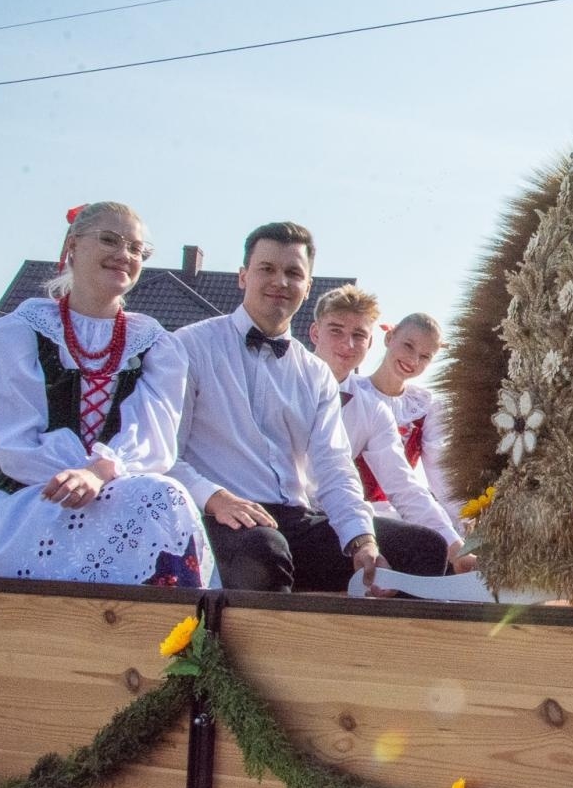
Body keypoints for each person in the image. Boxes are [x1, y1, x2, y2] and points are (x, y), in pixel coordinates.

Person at [168, 222, 450, 593]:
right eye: (267, 269)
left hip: (295, 519)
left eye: (293, 273)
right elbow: (165, 454)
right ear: (242, 276)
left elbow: (334, 466)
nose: (280, 282)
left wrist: (362, 540)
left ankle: (371, 651)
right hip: (221, 516)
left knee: (423, 549)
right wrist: (214, 497)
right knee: (265, 552)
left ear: (307, 286)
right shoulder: (189, 346)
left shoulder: (315, 373)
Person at [0, 202, 215, 587]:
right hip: (32, 497)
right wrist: (77, 476)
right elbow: (16, 442)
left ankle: (173, 635)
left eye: (136, 249)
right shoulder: (20, 332)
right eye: (109, 240)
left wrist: (99, 472)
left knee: (163, 493)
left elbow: (156, 443)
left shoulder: (155, 344)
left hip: (118, 488)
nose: (124, 255)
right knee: (155, 497)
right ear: (72, 246)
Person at [307, 287, 470, 557]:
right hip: (286, 510)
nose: (348, 344)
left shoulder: (374, 409)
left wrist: (455, 542)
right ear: (389, 338)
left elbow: (408, 483)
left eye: (358, 335)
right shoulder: (282, 380)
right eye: (336, 331)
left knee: (429, 548)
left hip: (356, 515)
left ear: (369, 342)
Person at [363, 312, 464, 532]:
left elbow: (440, 469)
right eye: (408, 346)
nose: (414, 360)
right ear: (389, 338)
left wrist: (466, 515)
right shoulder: (350, 391)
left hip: (401, 511)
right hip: (351, 509)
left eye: (425, 356)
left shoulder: (423, 407)